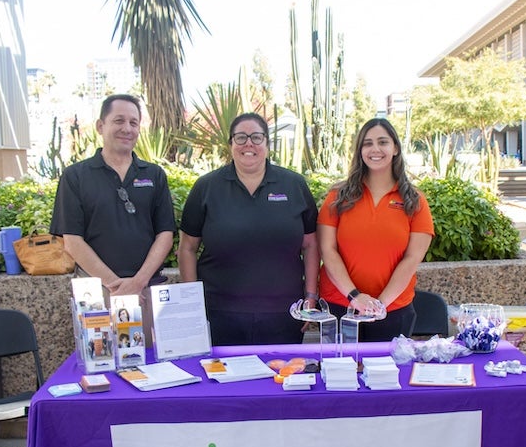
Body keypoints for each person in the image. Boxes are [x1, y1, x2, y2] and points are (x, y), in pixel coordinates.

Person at [178, 112, 319, 346]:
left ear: (267, 143)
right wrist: (192, 302)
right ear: (231, 144)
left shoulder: (294, 185)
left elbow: (311, 244)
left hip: (284, 313)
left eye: (256, 137)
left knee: (281, 379)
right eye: (241, 137)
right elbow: (187, 248)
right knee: (223, 381)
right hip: (219, 313)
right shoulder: (206, 187)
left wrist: (311, 295)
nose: (249, 144)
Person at [50, 94, 176, 336]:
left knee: (150, 366)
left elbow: (165, 235)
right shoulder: (75, 176)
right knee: (100, 363)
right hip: (97, 292)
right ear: (101, 126)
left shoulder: (154, 174)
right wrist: (116, 287)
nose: (126, 129)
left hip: (145, 290)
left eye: (133, 122)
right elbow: (73, 242)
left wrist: (137, 282)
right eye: (119, 121)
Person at [317, 118, 435, 342]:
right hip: (339, 307)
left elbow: (411, 259)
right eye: (367, 143)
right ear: (360, 150)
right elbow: (327, 250)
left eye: (383, 142)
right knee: (338, 375)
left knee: (387, 376)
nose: (375, 149)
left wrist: (380, 304)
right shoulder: (337, 197)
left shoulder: (415, 201)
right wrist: (355, 297)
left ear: (395, 148)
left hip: (392, 311)